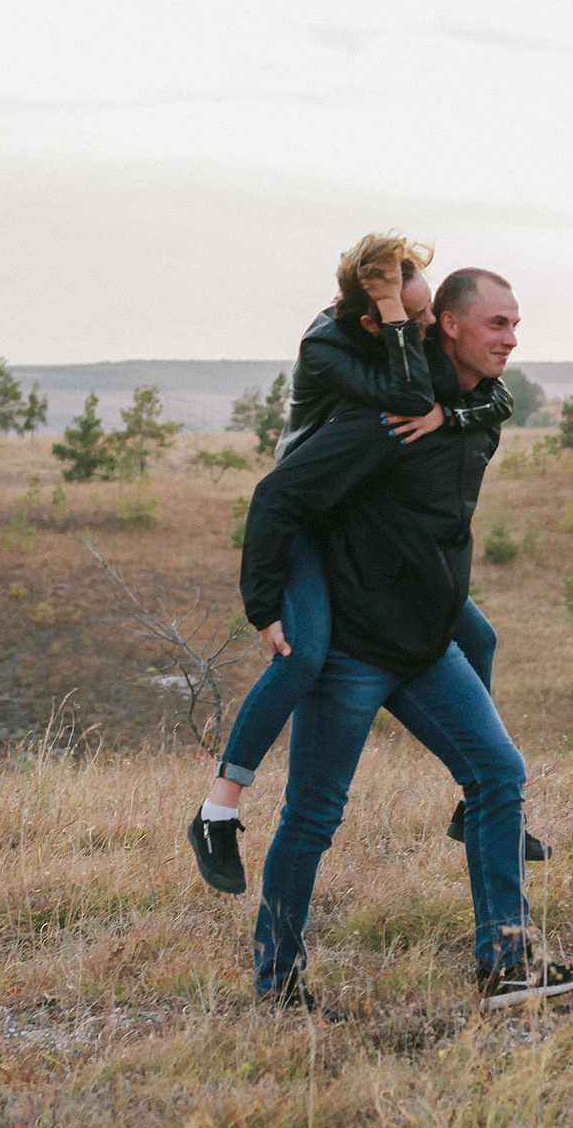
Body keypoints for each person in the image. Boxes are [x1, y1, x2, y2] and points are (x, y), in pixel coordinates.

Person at [235, 267, 573, 1010]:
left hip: (429, 646)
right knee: (313, 815)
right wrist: (268, 604)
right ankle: (276, 983)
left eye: (516, 323)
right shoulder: (392, 412)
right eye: (497, 324)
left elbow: (479, 418)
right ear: (450, 326)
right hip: (351, 653)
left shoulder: (480, 410)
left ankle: (505, 965)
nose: (512, 337)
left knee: (498, 774)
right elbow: (279, 493)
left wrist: (456, 416)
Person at [186, 233, 541, 898]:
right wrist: (262, 605)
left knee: (479, 636)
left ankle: (479, 799)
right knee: (305, 652)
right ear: (374, 319)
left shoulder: (397, 335)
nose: (432, 326)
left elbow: (486, 397)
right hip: (308, 525)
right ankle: (219, 807)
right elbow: (403, 402)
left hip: (349, 521)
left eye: (433, 312)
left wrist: (453, 410)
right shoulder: (328, 349)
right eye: (418, 317)